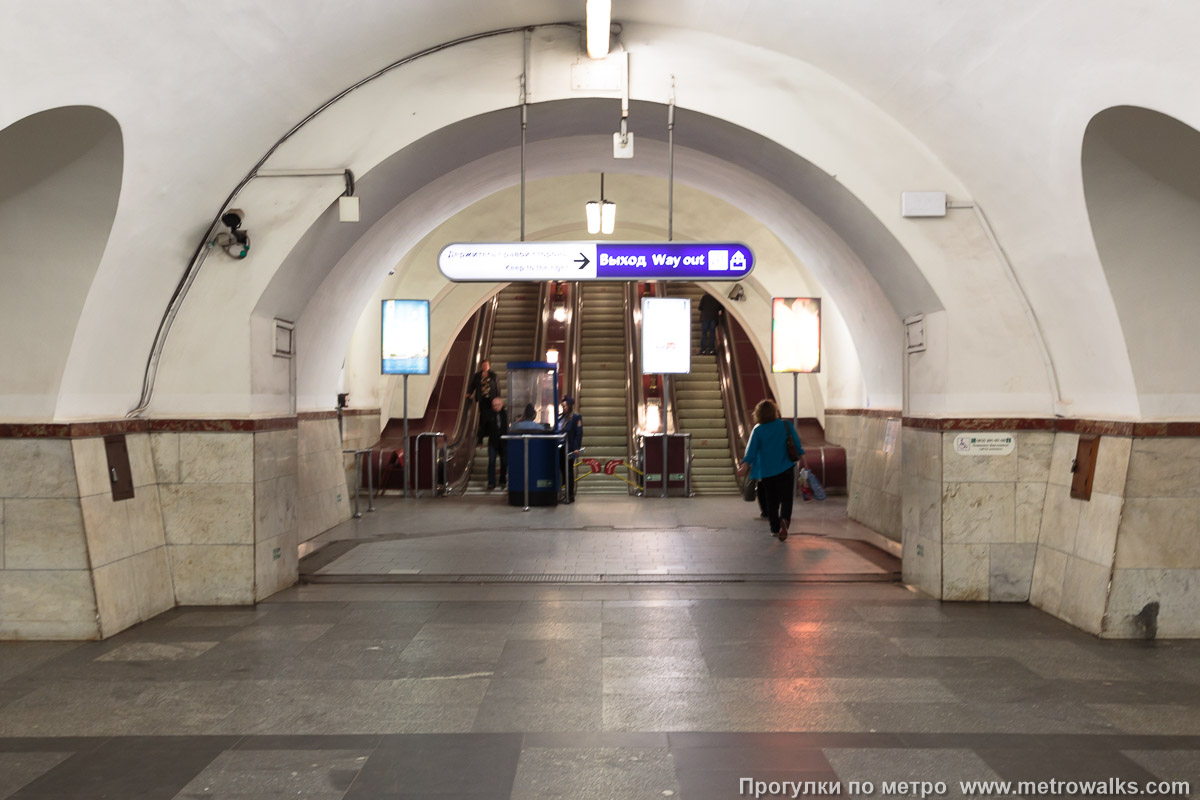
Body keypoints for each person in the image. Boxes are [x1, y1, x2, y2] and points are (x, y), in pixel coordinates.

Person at [737, 399, 807, 541]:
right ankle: (785, 521)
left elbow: (750, 452)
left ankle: (775, 528)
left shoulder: (758, 430)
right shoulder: (785, 425)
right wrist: (805, 463)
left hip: (768, 472)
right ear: (775, 412)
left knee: (772, 501)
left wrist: (744, 467)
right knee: (787, 499)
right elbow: (797, 445)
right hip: (786, 468)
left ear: (758, 414)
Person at [556, 396, 583, 502]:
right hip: (559, 447)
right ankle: (563, 492)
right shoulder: (560, 417)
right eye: (563, 406)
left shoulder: (576, 417)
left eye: (565, 406)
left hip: (569, 447)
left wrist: (576, 448)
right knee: (562, 470)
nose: (564, 408)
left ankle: (570, 495)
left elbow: (578, 433)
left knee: (568, 471)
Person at [466, 359, 500, 444]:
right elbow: (472, 385)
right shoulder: (477, 375)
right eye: (484, 365)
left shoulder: (493, 375)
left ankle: (490, 435)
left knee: (492, 417)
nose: (485, 366)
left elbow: (497, 387)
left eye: (486, 365)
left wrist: (498, 398)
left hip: (492, 399)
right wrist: (469, 393)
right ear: (481, 366)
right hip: (482, 399)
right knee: (483, 417)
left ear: (489, 366)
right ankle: (481, 437)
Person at [481, 396, 508, 490]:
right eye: (494, 405)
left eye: (498, 405)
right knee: (491, 462)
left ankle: (502, 480)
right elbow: (483, 427)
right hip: (493, 442)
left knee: (504, 462)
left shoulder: (505, 414)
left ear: (502, 405)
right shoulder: (489, 414)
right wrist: (480, 440)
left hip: (503, 442)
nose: (496, 407)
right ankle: (491, 482)